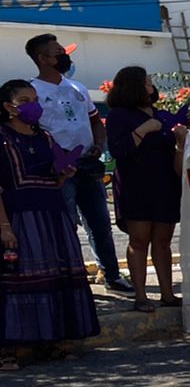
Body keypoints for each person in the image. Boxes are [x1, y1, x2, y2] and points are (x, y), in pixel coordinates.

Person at [0, 80, 100, 368]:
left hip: (52, 213)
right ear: (8, 106)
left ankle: (53, 341)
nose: (34, 105)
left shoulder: (44, 137)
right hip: (19, 217)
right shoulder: (2, 137)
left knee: (56, 276)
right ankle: (12, 348)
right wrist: (4, 226)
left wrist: (64, 173)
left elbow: (53, 176)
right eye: (24, 100)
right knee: (18, 279)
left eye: (35, 99)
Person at [26, 33, 131, 292]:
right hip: (58, 172)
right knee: (65, 225)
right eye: (58, 52)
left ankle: (112, 276)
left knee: (99, 224)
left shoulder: (78, 88)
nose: (65, 55)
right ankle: (71, 278)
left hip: (87, 165)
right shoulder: (32, 91)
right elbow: (29, 130)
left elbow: (96, 121)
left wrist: (98, 143)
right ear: (42, 58)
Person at [103, 66, 184, 312]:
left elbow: (175, 150)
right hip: (135, 184)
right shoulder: (119, 115)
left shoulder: (162, 115)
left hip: (165, 184)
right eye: (147, 82)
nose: (152, 86)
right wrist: (143, 130)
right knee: (139, 240)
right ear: (134, 87)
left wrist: (181, 139)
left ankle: (167, 294)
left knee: (163, 241)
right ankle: (140, 296)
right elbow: (119, 150)